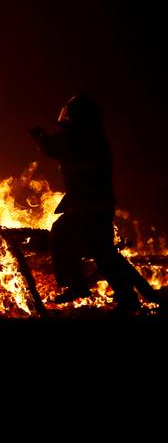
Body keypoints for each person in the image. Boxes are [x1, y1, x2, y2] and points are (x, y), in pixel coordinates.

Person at [30, 94, 159, 315]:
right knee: (104, 253)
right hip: (97, 204)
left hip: (86, 206)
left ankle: (76, 285)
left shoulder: (81, 137)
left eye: (69, 115)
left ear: (78, 116)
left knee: (61, 233)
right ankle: (127, 298)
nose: (65, 119)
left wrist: (39, 135)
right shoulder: (92, 136)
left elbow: (54, 148)